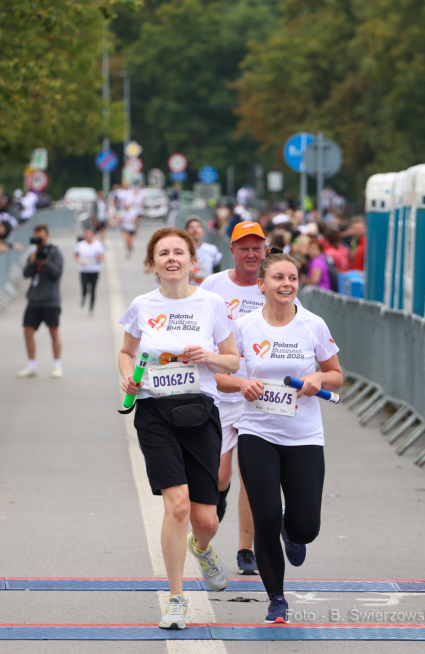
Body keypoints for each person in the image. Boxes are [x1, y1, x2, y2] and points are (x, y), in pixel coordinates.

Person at [118, 227, 240, 630]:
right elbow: (126, 352)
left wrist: (206, 356)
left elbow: (233, 362)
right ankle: (175, 598)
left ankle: (201, 548)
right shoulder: (142, 304)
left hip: (201, 413)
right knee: (179, 506)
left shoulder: (211, 304)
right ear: (151, 263)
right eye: (163, 253)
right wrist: (128, 378)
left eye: (179, 252)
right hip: (154, 413)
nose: (172, 259)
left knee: (206, 521)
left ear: (193, 261)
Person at [219, 252, 343, 624]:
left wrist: (318, 380)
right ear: (262, 285)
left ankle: (294, 527)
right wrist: (242, 383)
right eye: (278, 278)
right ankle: (277, 599)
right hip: (257, 431)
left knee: (306, 527)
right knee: (266, 517)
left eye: (292, 278)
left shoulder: (312, 325)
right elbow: (221, 377)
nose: (286, 284)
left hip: (304, 435)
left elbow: (336, 374)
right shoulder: (243, 326)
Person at [199, 222, 279, 577]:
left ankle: (246, 549)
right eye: (243, 248)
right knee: (220, 473)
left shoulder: (276, 285)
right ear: (232, 250)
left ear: (265, 250)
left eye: (256, 248)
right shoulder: (213, 285)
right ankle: (215, 506)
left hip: (262, 399)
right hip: (220, 393)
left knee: (254, 475)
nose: (251, 254)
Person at [17, 225, 64, 379]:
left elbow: (57, 273)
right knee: (27, 332)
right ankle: (32, 365)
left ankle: (57, 365)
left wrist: (46, 263)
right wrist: (32, 262)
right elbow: (25, 274)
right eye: (37, 237)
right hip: (34, 298)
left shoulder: (55, 253)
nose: (39, 240)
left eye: (41, 237)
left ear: (47, 236)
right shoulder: (34, 253)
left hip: (51, 300)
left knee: (53, 332)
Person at [74, 228, 105, 314]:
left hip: (94, 270)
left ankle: (91, 308)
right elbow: (76, 255)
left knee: (93, 290)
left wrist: (97, 258)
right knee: (84, 288)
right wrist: (80, 261)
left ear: (93, 236)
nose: (88, 237)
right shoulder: (80, 245)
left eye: (90, 235)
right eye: (87, 235)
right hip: (84, 270)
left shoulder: (98, 245)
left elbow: (102, 256)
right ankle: (83, 297)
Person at [185, 217, 222, 286]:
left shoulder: (212, 249)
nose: (195, 230)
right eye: (191, 227)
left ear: (203, 231)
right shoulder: (181, 251)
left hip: (207, 291)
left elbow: (217, 272)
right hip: (189, 292)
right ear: (186, 232)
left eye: (198, 227)